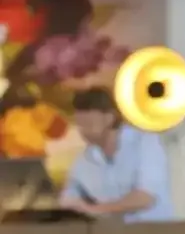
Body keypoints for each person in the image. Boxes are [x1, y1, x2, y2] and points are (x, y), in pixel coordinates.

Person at [58, 85, 174, 221]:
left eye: (88, 123)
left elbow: (145, 197)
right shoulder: (83, 161)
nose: (83, 130)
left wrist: (97, 210)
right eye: (80, 124)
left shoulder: (145, 142)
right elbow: (69, 197)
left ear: (110, 117)